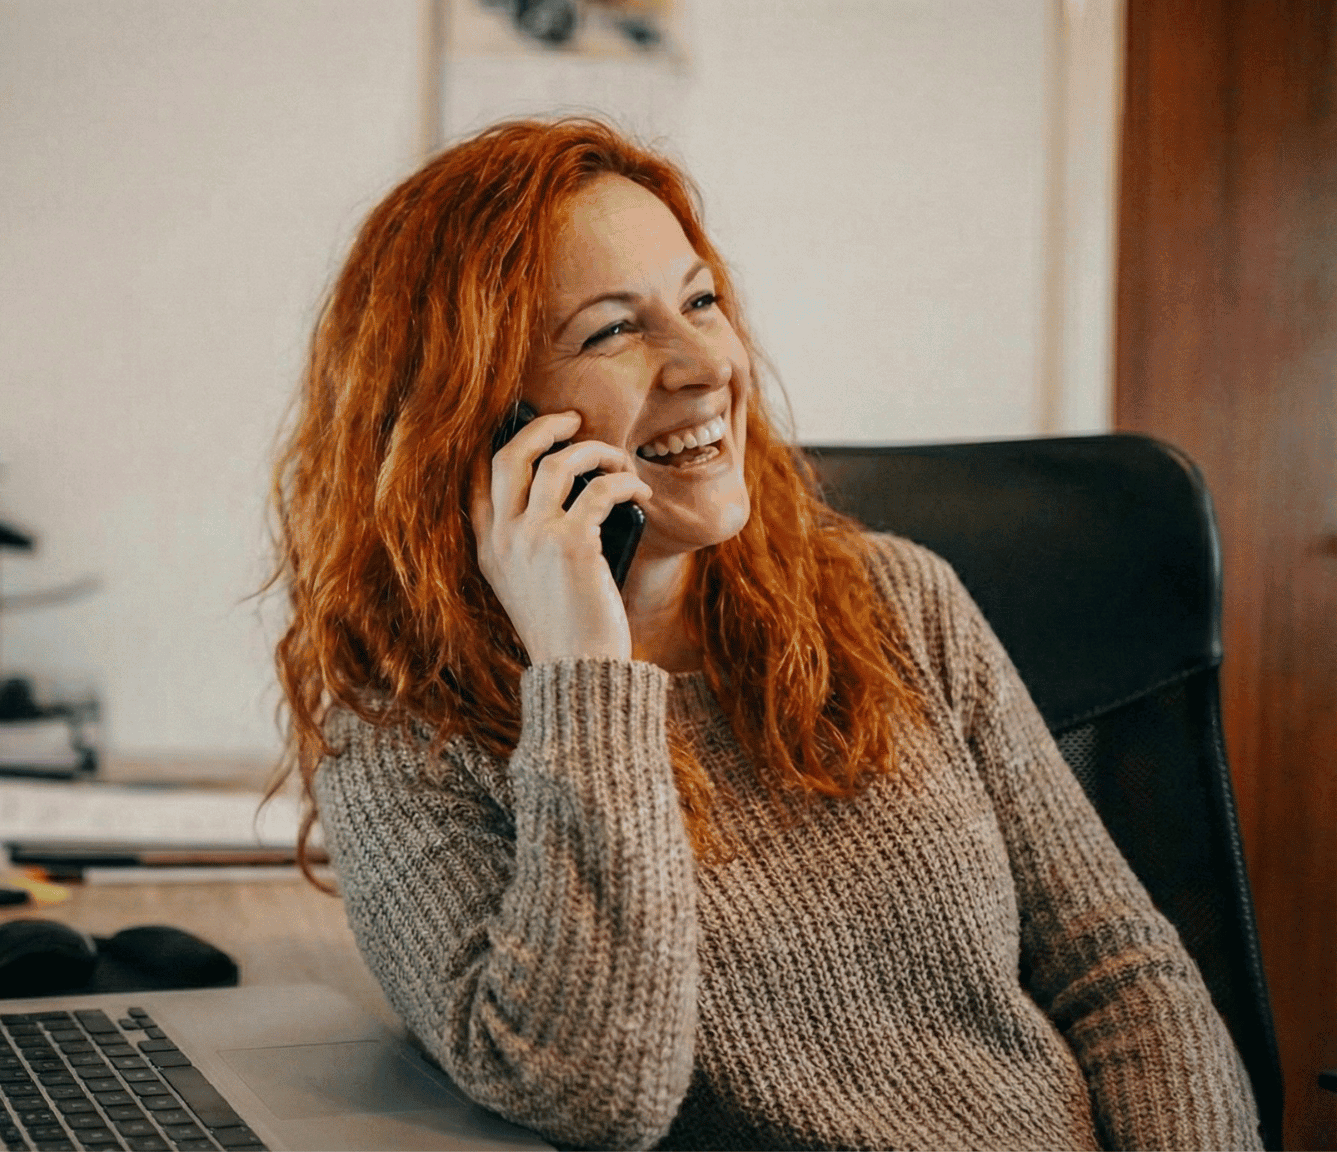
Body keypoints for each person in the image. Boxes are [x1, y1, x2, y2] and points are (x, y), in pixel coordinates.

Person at [268, 117, 1259, 1150]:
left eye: (699, 302)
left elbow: (1118, 970)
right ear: (475, 421)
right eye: (613, 330)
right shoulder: (403, 736)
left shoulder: (896, 603)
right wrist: (583, 676)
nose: (705, 364)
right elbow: (592, 1092)